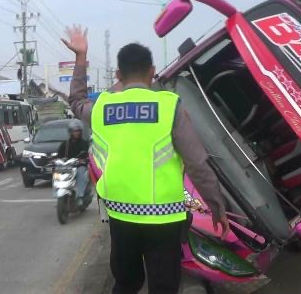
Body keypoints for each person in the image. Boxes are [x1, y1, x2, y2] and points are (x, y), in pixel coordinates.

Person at [63, 26, 230, 294]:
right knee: (164, 286)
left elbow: (76, 100)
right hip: (164, 219)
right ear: (152, 72)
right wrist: (217, 208)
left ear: (118, 75)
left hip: (121, 215)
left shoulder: (102, 108)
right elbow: (198, 164)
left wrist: (80, 57)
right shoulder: (169, 106)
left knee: (126, 283)